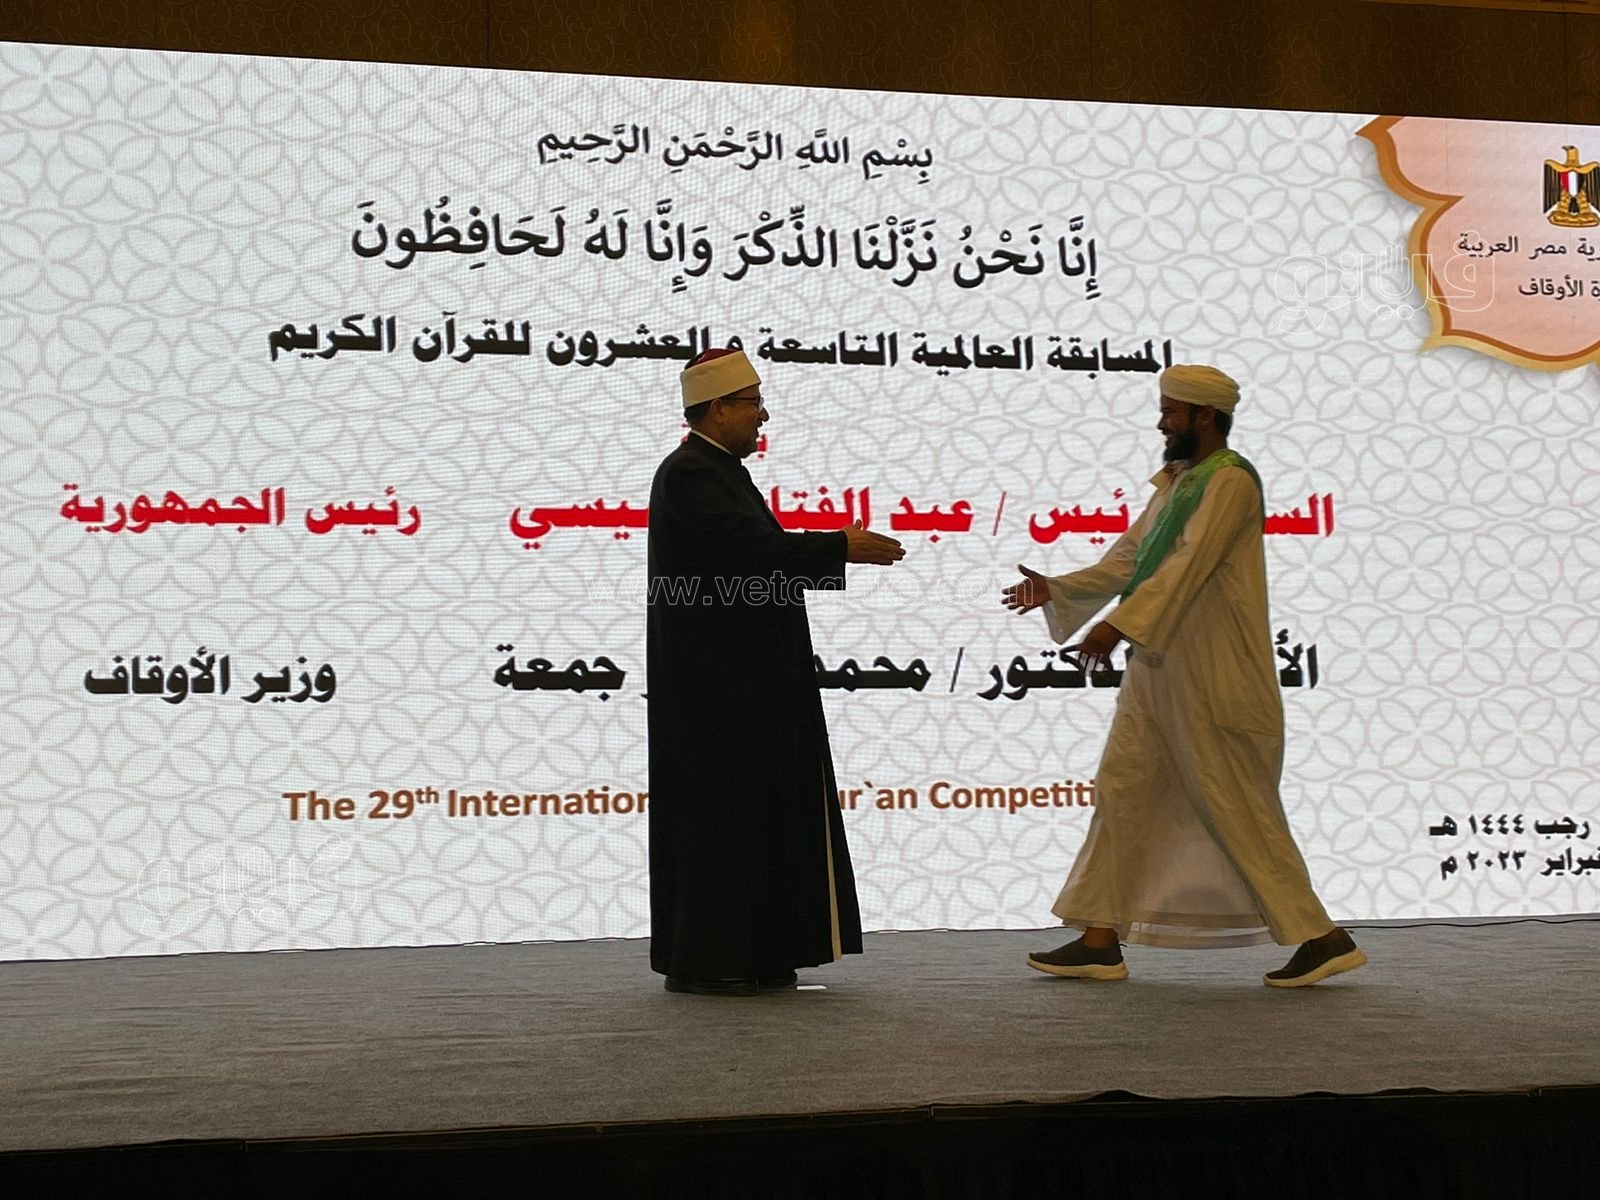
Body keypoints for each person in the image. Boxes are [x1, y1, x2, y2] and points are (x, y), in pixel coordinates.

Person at [1002, 364, 1364, 988]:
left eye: (1171, 412)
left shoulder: (1230, 484)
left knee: (1233, 802)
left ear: (1204, 416)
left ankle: (1321, 936)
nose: (1161, 423)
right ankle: (1099, 937)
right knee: (1123, 789)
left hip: (1211, 672)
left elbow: (1186, 569)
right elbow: (1131, 560)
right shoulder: (1178, 483)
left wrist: (1117, 626)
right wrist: (1059, 589)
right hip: (1159, 668)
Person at [647, 347, 906, 995]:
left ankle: (756, 952)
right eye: (753, 403)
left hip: (745, 680)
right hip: (718, 689)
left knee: (755, 813)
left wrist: (832, 552)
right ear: (717, 409)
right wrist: (840, 546)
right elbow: (747, 551)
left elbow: (749, 563)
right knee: (724, 817)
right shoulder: (691, 473)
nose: (763, 415)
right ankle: (713, 960)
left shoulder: (719, 470)